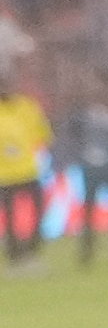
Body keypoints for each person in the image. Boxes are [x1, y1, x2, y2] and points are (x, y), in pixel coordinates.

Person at [67, 92, 108, 266]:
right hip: (92, 169)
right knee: (89, 210)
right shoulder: (86, 115)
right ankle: (86, 254)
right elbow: (73, 133)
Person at [0, 66, 45, 271]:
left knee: (39, 211)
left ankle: (31, 249)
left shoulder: (26, 106)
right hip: (4, 174)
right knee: (8, 217)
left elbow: (41, 133)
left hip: (28, 169)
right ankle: (15, 255)